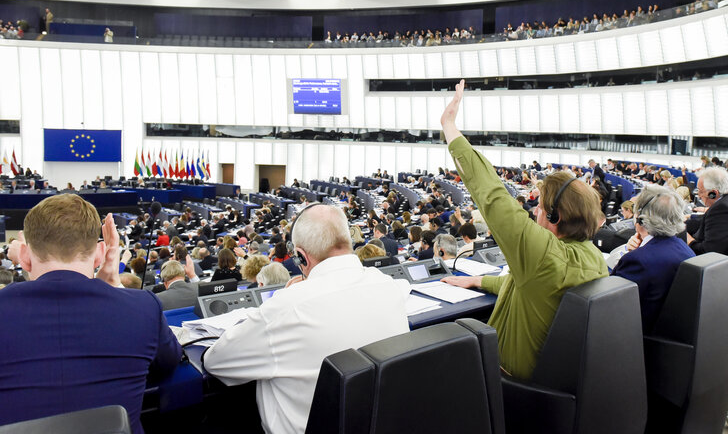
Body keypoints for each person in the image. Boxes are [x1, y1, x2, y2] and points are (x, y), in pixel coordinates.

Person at [439, 80, 607, 380]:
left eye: (540, 206)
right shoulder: (594, 258)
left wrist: (449, 127)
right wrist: (481, 281)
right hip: (552, 383)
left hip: (506, 383)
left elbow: (491, 194)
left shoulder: (542, 253)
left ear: (555, 216)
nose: (535, 211)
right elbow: (531, 289)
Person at [202, 204, 410, 434]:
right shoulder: (390, 286)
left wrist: (282, 299)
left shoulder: (287, 307)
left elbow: (216, 362)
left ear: (300, 255)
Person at [0, 195, 180, 433]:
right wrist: (115, 285)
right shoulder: (144, 307)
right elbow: (169, 362)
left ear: (23, 255)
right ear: (100, 253)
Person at [610, 186, 695, 332]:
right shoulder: (684, 248)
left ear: (641, 219)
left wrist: (632, 254)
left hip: (637, 338)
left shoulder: (638, 261)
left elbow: (608, 304)